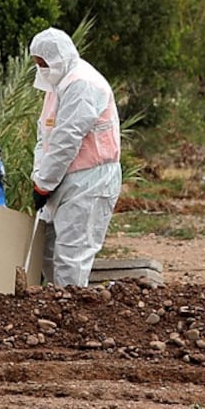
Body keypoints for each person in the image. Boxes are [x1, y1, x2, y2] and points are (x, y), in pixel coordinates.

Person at [29, 27, 122, 288]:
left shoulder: (83, 84)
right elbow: (45, 135)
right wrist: (40, 176)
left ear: (59, 58)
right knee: (48, 251)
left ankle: (71, 319)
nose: (41, 69)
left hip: (90, 180)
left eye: (44, 64)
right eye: (37, 64)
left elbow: (66, 139)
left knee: (72, 255)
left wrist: (44, 183)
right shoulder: (58, 85)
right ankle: (55, 312)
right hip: (64, 178)